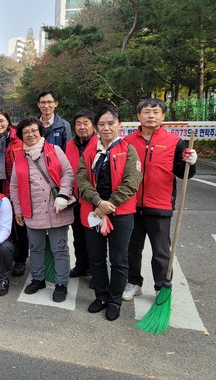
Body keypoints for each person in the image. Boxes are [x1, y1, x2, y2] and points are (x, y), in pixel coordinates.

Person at [122, 98, 197, 301]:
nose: (151, 115)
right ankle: (133, 282)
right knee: (132, 249)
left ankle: (160, 286)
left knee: (161, 252)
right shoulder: (127, 142)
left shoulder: (175, 142)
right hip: (131, 206)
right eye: (146, 112)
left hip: (160, 206)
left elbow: (184, 173)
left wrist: (191, 161)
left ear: (163, 116)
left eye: (156, 112)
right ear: (138, 116)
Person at [77, 105, 142, 321]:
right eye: (102, 124)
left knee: (119, 259)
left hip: (120, 213)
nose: (106, 128)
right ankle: (101, 296)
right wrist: (97, 202)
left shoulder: (128, 149)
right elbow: (81, 179)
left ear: (119, 125)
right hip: (93, 211)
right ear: (96, 127)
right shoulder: (89, 151)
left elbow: (132, 182)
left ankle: (114, 300)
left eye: (110, 123)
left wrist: (109, 204)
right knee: (95, 258)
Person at [10, 117, 74, 303]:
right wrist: (18, 210)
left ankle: (62, 284)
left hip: (57, 207)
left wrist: (63, 195)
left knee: (59, 248)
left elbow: (68, 173)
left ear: (40, 131)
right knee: (35, 247)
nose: (30, 134)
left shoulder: (55, 150)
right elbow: (14, 186)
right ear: (21, 136)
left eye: (33, 130)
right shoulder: (20, 158)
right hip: (33, 209)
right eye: (26, 132)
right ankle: (38, 279)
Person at [0, 107, 28, 277]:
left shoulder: (18, 139)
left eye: (1, 120)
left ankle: (21, 259)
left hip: (15, 188)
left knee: (19, 226)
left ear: (8, 122)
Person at [64, 110, 98, 280]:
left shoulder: (100, 143)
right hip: (76, 199)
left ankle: (95, 270)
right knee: (78, 235)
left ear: (93, 125)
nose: (82, 127)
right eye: (78, 124)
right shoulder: (69, 145)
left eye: (86, 123)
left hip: (94, 200)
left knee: (94, 238)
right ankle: (81, 265)